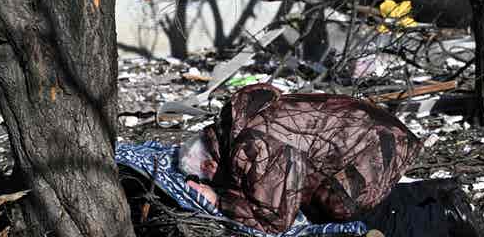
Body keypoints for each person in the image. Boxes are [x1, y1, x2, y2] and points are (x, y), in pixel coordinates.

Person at [178, 83, 422, 234]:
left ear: (210, 164)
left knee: (337, 207)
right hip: (378, 134)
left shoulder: (252, 147)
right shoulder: (235, 127)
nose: (211, 181)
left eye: (207, 177)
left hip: (384, 147)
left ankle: (442, 205)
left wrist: (218, 201)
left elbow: (274, 223)